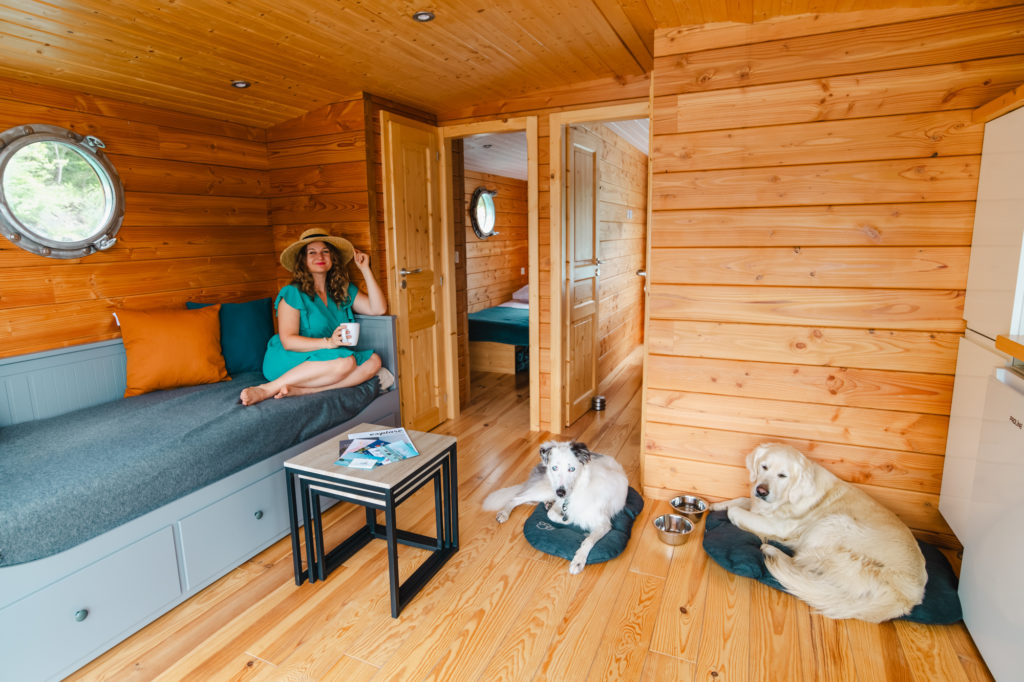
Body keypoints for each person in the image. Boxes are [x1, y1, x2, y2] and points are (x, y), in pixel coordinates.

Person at [240, 228, 393, 406]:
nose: (319, 257)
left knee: (374, 362)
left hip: (328, 357)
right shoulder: (292, 293)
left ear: (332, 258)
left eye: (325, 252)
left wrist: (365, 269)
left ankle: (307, 390)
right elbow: (289, 341)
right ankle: (268, 388)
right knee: (346, 363)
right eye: (311, 252)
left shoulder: (341, 289)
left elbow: (378, 309)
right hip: (291, 358)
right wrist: (329, 343)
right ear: (303, 261)